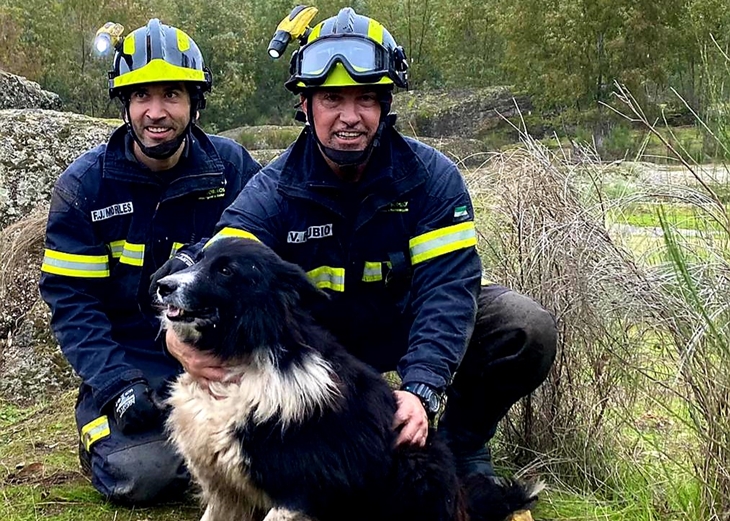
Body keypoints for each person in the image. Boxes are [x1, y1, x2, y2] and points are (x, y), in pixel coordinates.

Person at [162, 7, 557, 481]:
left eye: (366, 99)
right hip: (320, 349)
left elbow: (447, 292)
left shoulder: (431, 179)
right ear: (306, 106)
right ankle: (303, 449)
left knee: (524, 327)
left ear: (386, 104)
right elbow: (216, 272)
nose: (350, 117)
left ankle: (459, 448)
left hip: (402, 326)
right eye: (332, 100)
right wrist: (177, 336)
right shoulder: (272, 191)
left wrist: (422, 390)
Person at [38, 18, 260, 504]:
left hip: (222, 354)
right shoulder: (85, 188)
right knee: (143, 474)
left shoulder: (235, 169)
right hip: (131, 360)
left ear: (194, 103)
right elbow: (74, 305)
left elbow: (262, 266)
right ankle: (104, 434)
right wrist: (116, 382)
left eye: (172, 96)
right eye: (142, 96)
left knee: (269, 454)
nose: (156, 112)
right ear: (124, 104)